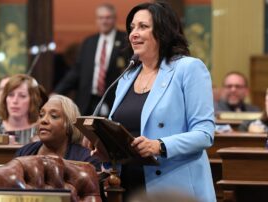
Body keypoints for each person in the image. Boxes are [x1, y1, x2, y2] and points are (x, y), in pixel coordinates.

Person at [101, 2, 215, 201]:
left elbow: (205, 134)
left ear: (163, 31)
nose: (133, 34)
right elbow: (118, 130)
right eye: (132, 28)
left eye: (143, 27)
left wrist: (159, 145)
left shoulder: (188, 68)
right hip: (126, 186)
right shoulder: (127, 76)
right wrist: (105, 146)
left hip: (174, 188)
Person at [54, 3, 129, 116]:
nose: (104, 21)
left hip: (114, 100)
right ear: (97, 20)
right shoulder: (89, 42)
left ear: (114, 19)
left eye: (108, 17)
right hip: (88, 101)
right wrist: (57, 92)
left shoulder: (125, 40)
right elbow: (77, 71)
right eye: (101, 18)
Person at [15, 95, 101, 171]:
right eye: (41, 115)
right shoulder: (24, 153)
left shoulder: (86, 160)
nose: (43, 120)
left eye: (54, 116)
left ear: (69, 125)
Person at [0, 74, 48, 145]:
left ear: (32, 101)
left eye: (22, 96)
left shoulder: (41, 131)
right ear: (5, 99)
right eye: (11, 95)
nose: (15, 101)